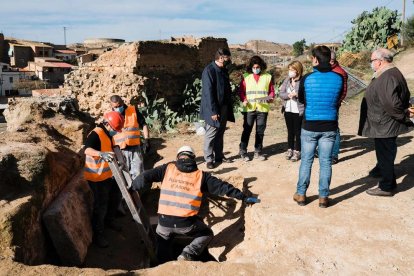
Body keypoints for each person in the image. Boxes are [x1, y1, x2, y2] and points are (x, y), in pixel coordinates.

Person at [132, 145, 257, 262]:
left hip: (164, 223)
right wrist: (242, 196)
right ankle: (187, 253)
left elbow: (145, 176)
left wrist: (133, 187)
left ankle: (162, 264)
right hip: (185, 224)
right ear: (193, 158)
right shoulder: (201, 176)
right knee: (207, 233)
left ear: (178, 157)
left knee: (163, 244)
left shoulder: (167, 168)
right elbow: (223, 188)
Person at [293, 45, 343, 208]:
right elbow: (337, 100)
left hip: (309, 125)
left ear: (315, 59)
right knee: (326, 162)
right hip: (329, 125)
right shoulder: (339, 78)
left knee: (306, 161)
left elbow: (301, 99)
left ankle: (301, 194)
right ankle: (323, 197)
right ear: (329, 59)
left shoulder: (307, 79)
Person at [358, 48, 412, 197]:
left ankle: (387, 186)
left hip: (385, 124)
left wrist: (403, 117)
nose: (371, 64)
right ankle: (381, 169)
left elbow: (391, 103)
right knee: (384, 152)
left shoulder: (387, 76)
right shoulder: (388, 73)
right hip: (383, 123)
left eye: (372, 61)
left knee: (385, 153)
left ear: (380, 61)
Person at [84, 111, 124, 248]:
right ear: (107, 124)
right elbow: (87, 150)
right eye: (114, 129)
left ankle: (109, 221)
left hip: (107, 175)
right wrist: (100, 154)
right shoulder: (96, 133)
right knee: (100, 206)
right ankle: (98, 235)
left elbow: (112, 147)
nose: (115, 132)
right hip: (96, 177)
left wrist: (119, 157)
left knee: (115, 197)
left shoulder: (107, 133)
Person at [200, 48, 235, 169]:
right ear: (221, 58)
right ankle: (209, 159)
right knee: (211, 133)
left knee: (220, 132)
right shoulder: (209, 70)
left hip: (224, 107)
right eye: (227, 58)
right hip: (213, 109)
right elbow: (208, 93)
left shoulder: (223, 70)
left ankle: (219, 155)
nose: (229, 60)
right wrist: (213, 111)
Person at [238, 55, 275, 161]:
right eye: (253, 67)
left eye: (257, 67)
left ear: (261, 66)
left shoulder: (267, 76)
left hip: (262, 109)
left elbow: (271, 91)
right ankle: (243, 151)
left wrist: (270, 97)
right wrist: (243, 99)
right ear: (251, 67)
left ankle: (258, 152)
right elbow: (241, 91)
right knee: (247, 130)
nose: (255, 69)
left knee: (260, 131)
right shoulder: (246, 77)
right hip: (249, 108)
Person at [110, 95, 150, 180]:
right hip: (120, 150)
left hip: (134, 147)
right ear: (112, 106)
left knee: (138, 171)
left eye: (119, 105)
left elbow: (144, 124)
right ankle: (129, 192)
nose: (118, 108)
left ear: (122, 102)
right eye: (115, 107)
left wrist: (147, 140)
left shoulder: (133, 110)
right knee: (125, 174)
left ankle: (139, 191)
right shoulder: (110, 116)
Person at [279, 61, 304, 162]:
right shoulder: (287, 80)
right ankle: (290, 149)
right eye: (289, 70)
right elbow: (281, 93)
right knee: (290, 131)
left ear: (297, 71)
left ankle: (298, 150)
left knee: (298, 131)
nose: (290, 72)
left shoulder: (302, 81)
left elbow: (304, 94)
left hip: (298, 110)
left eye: (292, 70)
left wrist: (296, 95)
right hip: (288, 109)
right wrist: (287, 96)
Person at [330, 52, 348, 164]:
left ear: (331, 60)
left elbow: (343, 91)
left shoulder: (340, 72)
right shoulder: (328, 70)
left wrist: (336, 102)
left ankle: (334, 154)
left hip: (333, 105)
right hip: (325, 105)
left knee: (334, 128)